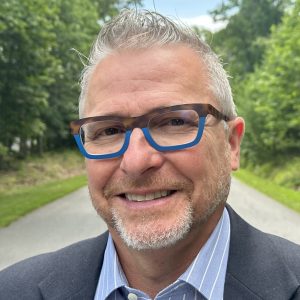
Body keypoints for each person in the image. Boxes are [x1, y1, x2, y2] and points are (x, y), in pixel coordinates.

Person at [0, 9, 299, 300]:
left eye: (173, 122)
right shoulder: (13, 290)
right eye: (108, 130)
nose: (136, 162)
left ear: (231, 144)